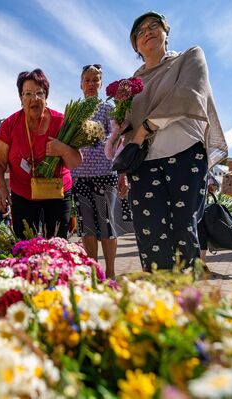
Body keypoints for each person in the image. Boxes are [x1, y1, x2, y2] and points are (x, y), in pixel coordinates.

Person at [110, 11, 228, 271]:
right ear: (136, 46)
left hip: (185, 155)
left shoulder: (189, 57)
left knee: (183, 230)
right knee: (149, 234)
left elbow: (187, 95)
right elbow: (127, 128)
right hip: (143, 163)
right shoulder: (132, 84)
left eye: (154, 26)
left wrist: (145, 128)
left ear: (166, 32)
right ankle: (160, 300)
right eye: (140, 31)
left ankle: (186, 300)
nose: (148, 31)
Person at [0, 69, 82, 239]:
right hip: (23, 194)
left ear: (46, 97)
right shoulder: (10, 125)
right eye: (28, 93)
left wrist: (62, 149)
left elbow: (75, 162)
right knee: (24, 244)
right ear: (21, 98)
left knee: (56, 243)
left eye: (39, 93)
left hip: (57, 192)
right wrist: (2, 189)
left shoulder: (61, 122)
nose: (35, 98)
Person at [71, 64, 133, 279]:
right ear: (80, 84)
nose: (91, 84)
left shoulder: (108, 110)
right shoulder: (74, 112)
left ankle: (111, 273)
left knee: (108, 226)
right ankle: (92, 273)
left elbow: (118, 142)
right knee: (86, 228)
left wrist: (122, 173)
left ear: (100, 83)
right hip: (79, 175)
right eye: (87, 80)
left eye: (95, 80)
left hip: (105, 174)